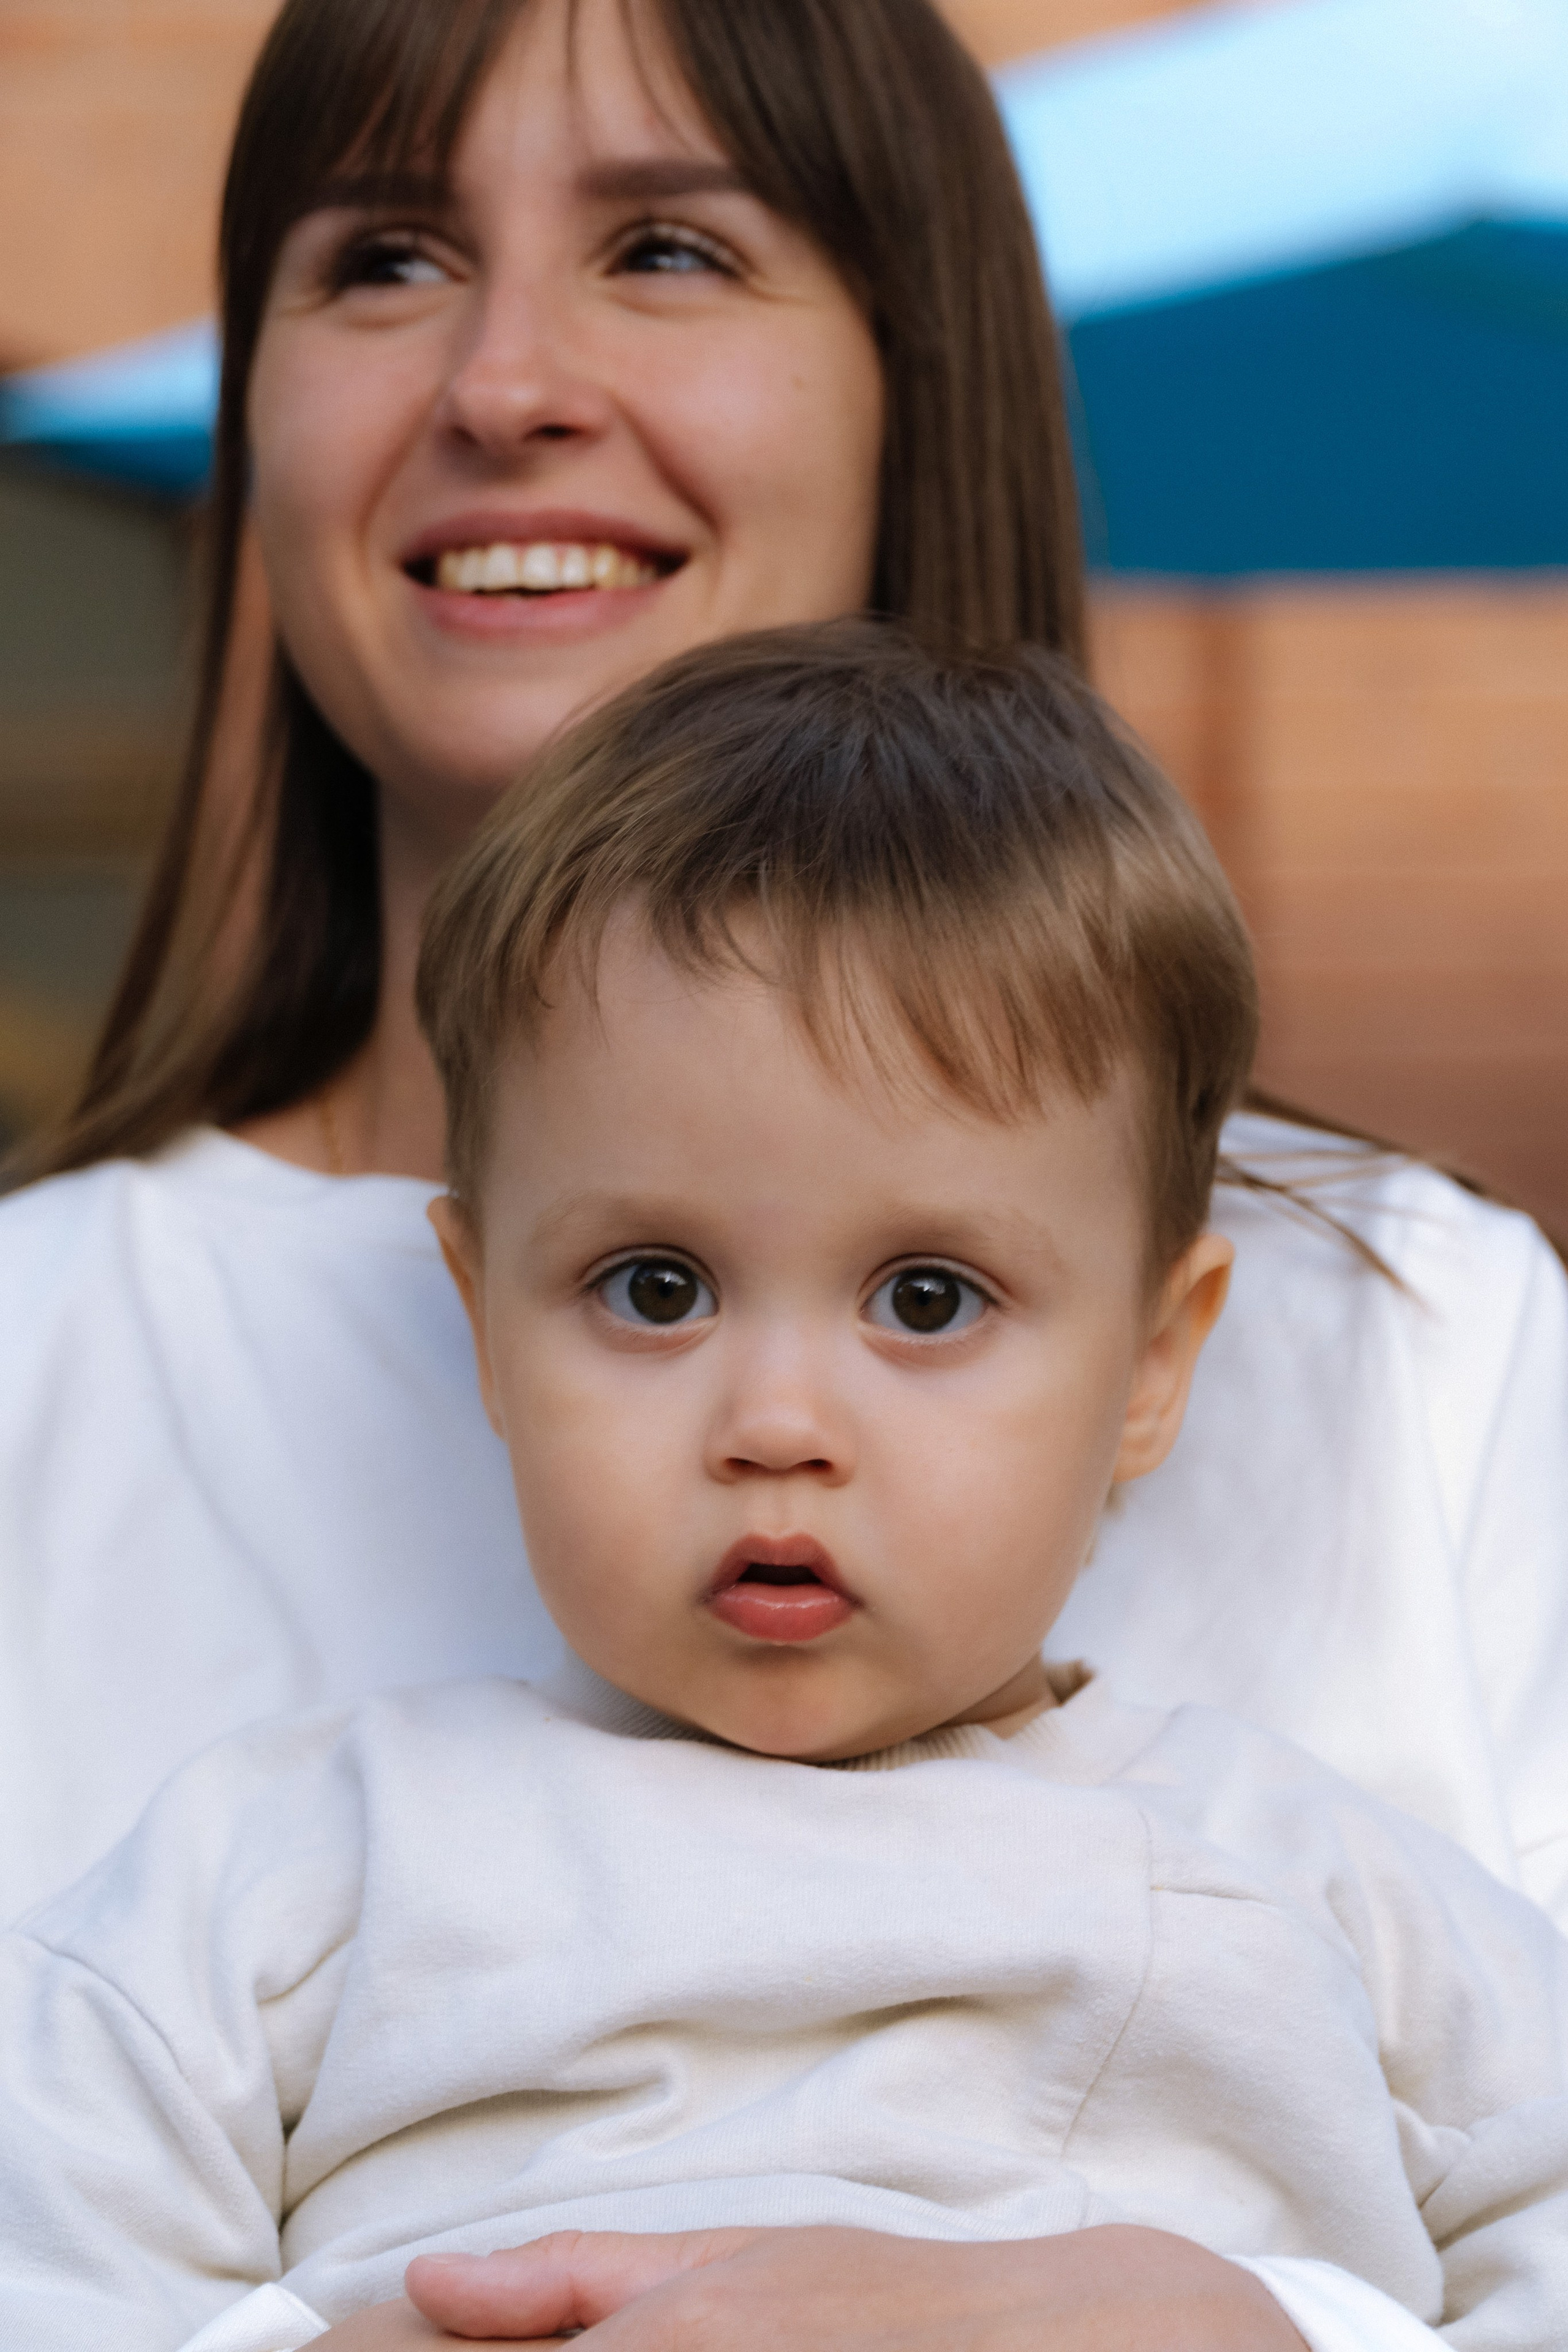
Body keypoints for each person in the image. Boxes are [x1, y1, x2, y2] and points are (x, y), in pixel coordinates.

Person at [0, 0, 1563, 2037]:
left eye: (669, 247)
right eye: (383, 258)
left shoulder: (1412, 1348)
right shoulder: (38, 1365)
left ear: (921, 370)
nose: (503, 384)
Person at [5, 629, 1564, 2352]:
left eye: (928, 1299)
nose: (774, 1424)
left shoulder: (1319, 1882)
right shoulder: (295, 1870)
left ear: (1150, 1364)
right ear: (485, 1326)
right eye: (655, 1288)